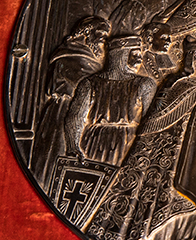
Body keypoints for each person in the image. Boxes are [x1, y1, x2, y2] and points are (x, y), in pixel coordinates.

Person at [86, 39, 196, 240]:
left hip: (191, 149)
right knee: (144, 197)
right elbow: (160, 118)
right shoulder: (182, 84)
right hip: (164, 153)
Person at [32, 16, 110, 190]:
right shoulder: (72, 57)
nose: (104, 39)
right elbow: (86, 85)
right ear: (87, 32)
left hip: (80, 111)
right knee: (57, 151)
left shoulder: (89, 57)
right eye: (101, 33)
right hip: (63, 110)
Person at [64, 34, 157, 168]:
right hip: (95, 144)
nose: (139, 60)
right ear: (120, 55)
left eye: (140, 55)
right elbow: (75, 117)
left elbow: (150, 121)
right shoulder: (90, 84)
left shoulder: (144, 84)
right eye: (134, 55)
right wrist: (73, 146)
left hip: (128, 144)